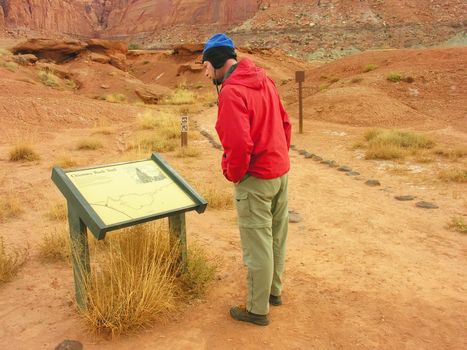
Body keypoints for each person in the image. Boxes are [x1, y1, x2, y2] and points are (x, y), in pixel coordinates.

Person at [202, 33, 291, 326]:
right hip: (280, 173)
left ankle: (257, 309)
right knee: (276, 237)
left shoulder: (231, 92)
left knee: (257, 245)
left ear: (216, 62)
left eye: (204, 66)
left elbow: (238, 145)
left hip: (256, 178)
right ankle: (273, 293)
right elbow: (285, 122)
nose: (204, 73)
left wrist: (233, 173)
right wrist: (278, 156)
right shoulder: (264, 80)